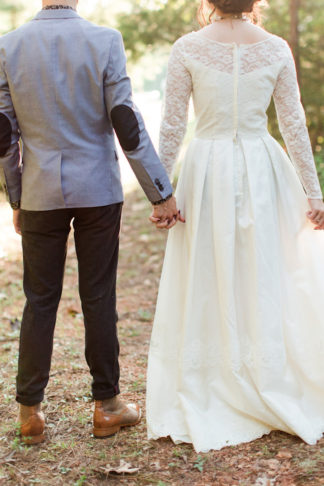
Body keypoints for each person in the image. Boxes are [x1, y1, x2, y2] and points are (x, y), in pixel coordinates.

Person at [0, 0, 181, 445]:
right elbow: (126, 121)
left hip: (41, 191)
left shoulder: (9, 45)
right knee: (98, 295)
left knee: (39, 299)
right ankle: (107, 407)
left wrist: (18, 198)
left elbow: (4, 134)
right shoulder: (105, 40)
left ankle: (29, 414)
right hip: (98, 188)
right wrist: (160, 192)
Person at [146, 0, 324, 453]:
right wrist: (314, 191)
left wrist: (160, 193)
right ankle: (265, 372)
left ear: (208, 3)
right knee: (265, 268)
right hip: (264, 166)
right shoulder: (276, 47)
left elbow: (171, 125)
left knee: (208, 270)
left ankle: (219, 375)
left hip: (207, 168)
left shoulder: (187, 47)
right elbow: (294, 124)